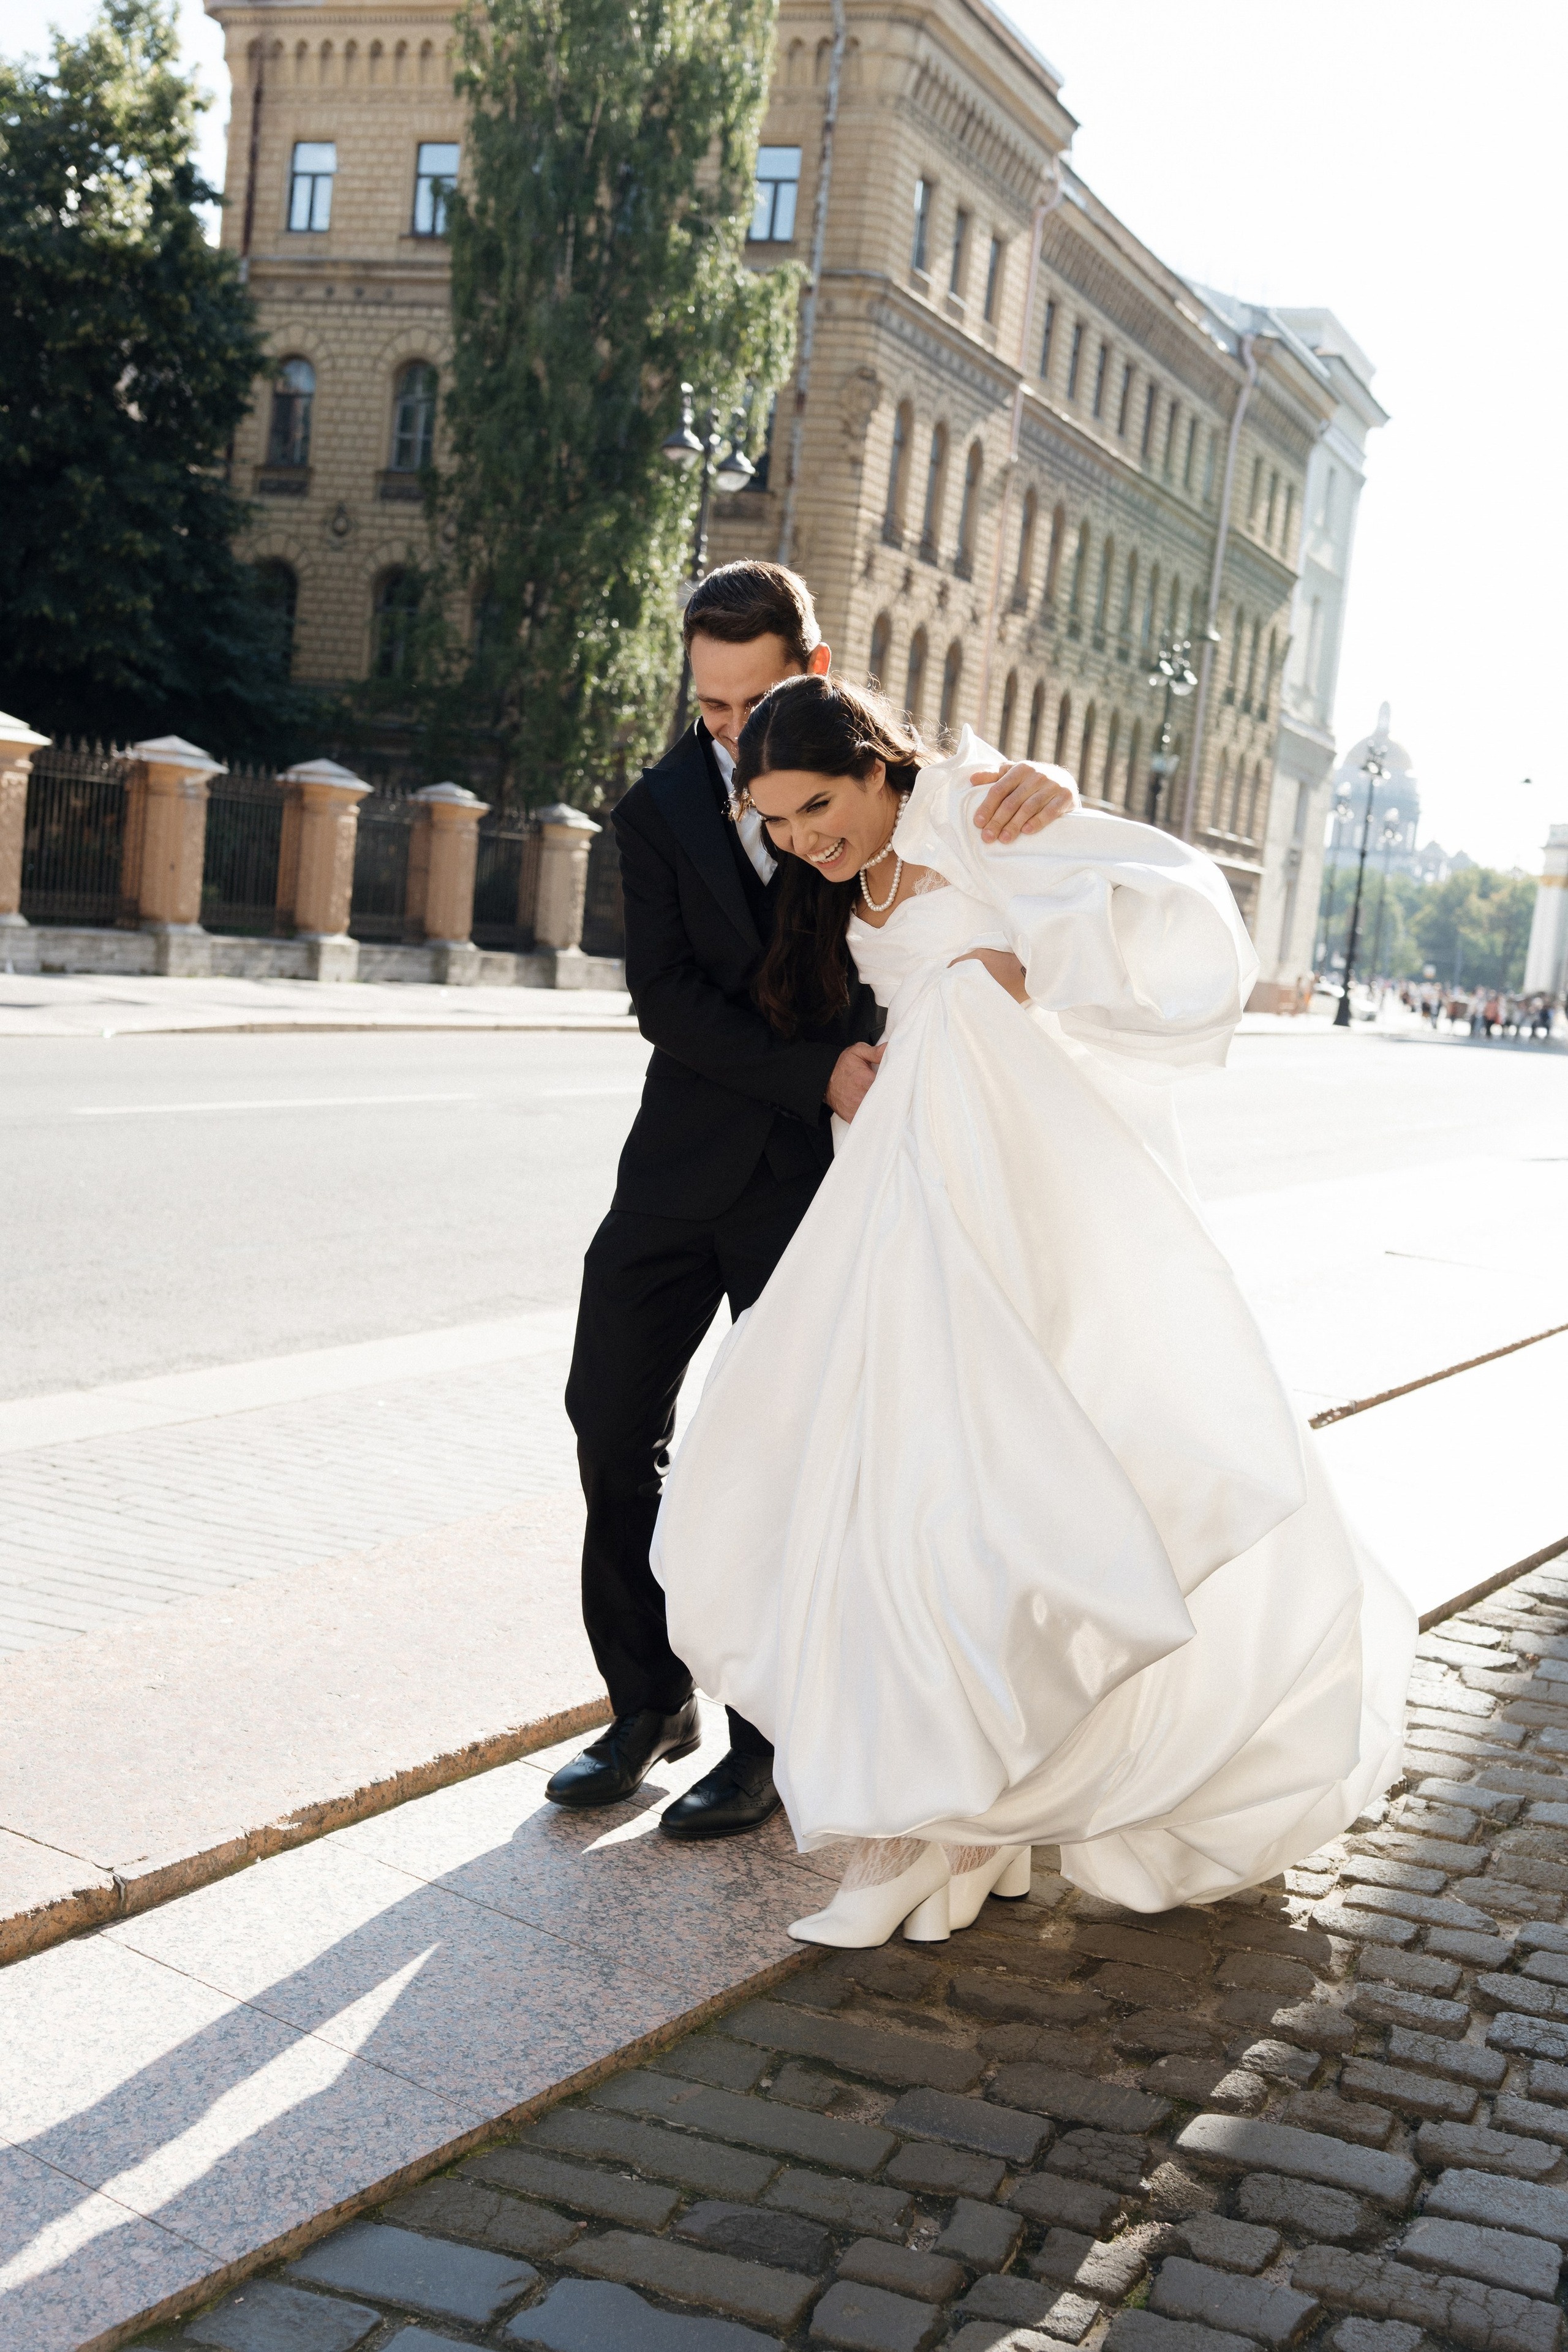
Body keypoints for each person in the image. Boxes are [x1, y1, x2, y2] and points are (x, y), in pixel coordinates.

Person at [652, 676, 1414, 1939]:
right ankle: (951, 1827)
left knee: (986, 1481)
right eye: (777, 821)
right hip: (908, 1177)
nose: (801, 840)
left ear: (881, 763)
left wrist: (1046, 947)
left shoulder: (972, 806)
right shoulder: (844, 869)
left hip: (1012, 1185)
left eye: (817, 807)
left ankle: (938, 1833)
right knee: (896, 1480)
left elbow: (1170, 905)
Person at [550, 564, 1076, 1840]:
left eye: (751, 699)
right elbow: (665, 1001)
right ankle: (643, 1698)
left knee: (788, 1449)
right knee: (608, 1417)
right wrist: (810, 1069)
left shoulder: (863, 779)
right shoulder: (660, 805)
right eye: (710, 706)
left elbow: (984, 844)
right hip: (677, 1170)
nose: (728, 735)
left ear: (814, 665)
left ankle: (763, 1740)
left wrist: (1048, 795)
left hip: (824, 1180)